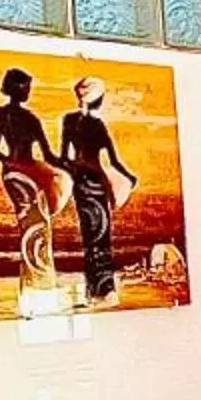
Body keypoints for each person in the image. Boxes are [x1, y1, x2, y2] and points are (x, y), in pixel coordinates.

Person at [0, 67, 70, 294]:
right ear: (18, 88)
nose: (29, 92)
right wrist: (68, 165)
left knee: (27, 224)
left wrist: (9, 163)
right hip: (30, 174)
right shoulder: (30, 119)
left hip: (11, 174)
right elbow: (49, 156)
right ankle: (40, 282)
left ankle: (31, 283)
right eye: (27, 87)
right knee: (39, 226)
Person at [57, 74, 139, 304]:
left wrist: (72, 171)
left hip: (80, 186)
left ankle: (92, 291)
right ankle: (105, 289)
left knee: (88, 236)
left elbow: (64, 156)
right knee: (101, 237)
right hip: (96, 184)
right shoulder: (97, 125)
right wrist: (130, 178)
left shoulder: (68, 120)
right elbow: (113, 161)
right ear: (99, 100)